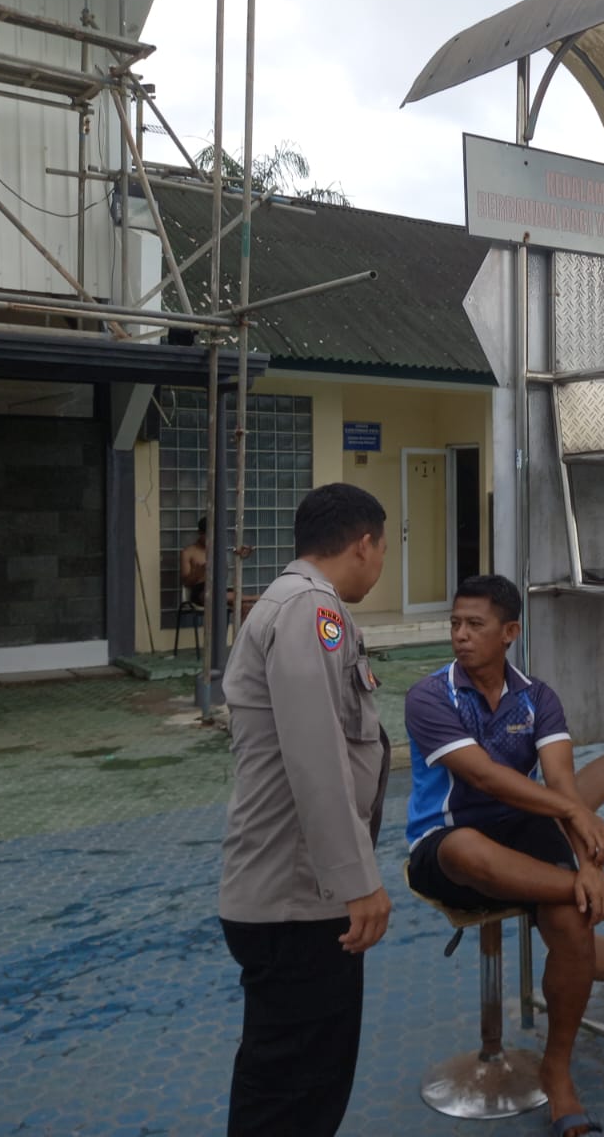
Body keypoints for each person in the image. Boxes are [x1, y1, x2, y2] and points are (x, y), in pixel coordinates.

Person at [405, 575, 604, 1137]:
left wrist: (588, 862)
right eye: (455, 624)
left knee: (575, 924)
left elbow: (561, 781)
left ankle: (557, 1069)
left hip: (523, 833)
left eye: (474, 625)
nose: (460, 635)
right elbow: (483, 777)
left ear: (510, 633)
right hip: (446, 840)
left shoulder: (538, 698)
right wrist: (581, 836)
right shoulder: (430, 696)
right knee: (471, 848)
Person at [218, 483, 394, 1136]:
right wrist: (359, 881)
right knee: (293, 1093)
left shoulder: (298, 604)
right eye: (384, 549)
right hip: (298, 902)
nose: (381, 564)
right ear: (364, 544)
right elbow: (316, 755)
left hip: (297, 895)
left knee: (300, 1082)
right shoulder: (309, 609)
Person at [180, 516, 257, 620]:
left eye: (213, 536)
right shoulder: (188, 552)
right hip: (200, 590)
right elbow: (186, 582)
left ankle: (242, 627)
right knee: (215, 595)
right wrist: (199, 572)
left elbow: (224, 576)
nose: (211, 539)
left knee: (246, 607)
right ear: (200, 533)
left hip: (219, 587)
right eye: (207, 536)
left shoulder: (217, 550)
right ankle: (253, 597)